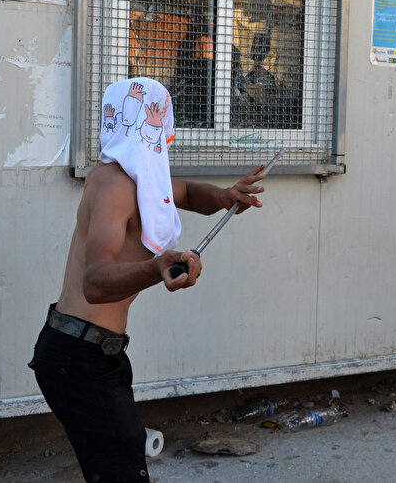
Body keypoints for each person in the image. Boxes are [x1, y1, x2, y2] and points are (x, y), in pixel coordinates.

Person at [29, 77, 267, 483]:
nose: (162, 130)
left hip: (95, 353)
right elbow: (95, 282)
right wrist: (157, 269)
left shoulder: (141, 180)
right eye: (154, 119)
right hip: (77, 356)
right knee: (123, 465)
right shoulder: (114, 184)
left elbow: (189, 192)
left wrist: (227, 197)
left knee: (115, 461)